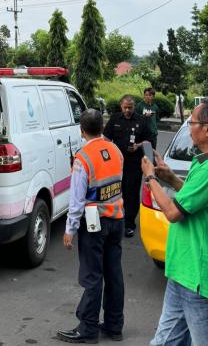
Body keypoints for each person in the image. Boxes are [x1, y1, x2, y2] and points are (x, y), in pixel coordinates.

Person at [141, 99, 208, 346]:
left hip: (202, 280)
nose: (188, 128)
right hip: (184, 272)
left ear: (207, 129)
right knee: (165, 342)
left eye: (192, 123)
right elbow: (194, 200)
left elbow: (173, 212)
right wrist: (171, 179)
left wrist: (151, 177)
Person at [57, 109, 125, 344]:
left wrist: (70, 229)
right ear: (103, 127)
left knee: (92, 276)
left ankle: (87, 328)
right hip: (116, 218)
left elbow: (76, 201)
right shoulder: (115, 150)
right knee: (114, 273)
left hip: (94, 223)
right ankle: (114, 325)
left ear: (81, 130)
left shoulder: (83, 158)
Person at [103, 95, 152, 238]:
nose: (128, 110)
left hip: (134, 165)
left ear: (134, 107)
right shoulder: (115, 119)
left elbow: (149, 140)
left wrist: (138, 145)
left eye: (130, 107)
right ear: (121, 106)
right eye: (125, 107)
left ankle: (129, 224)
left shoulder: (141, 121)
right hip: (116, 164)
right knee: (116, 192)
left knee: (131, 194)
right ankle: (116, 220)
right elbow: (106, 138)